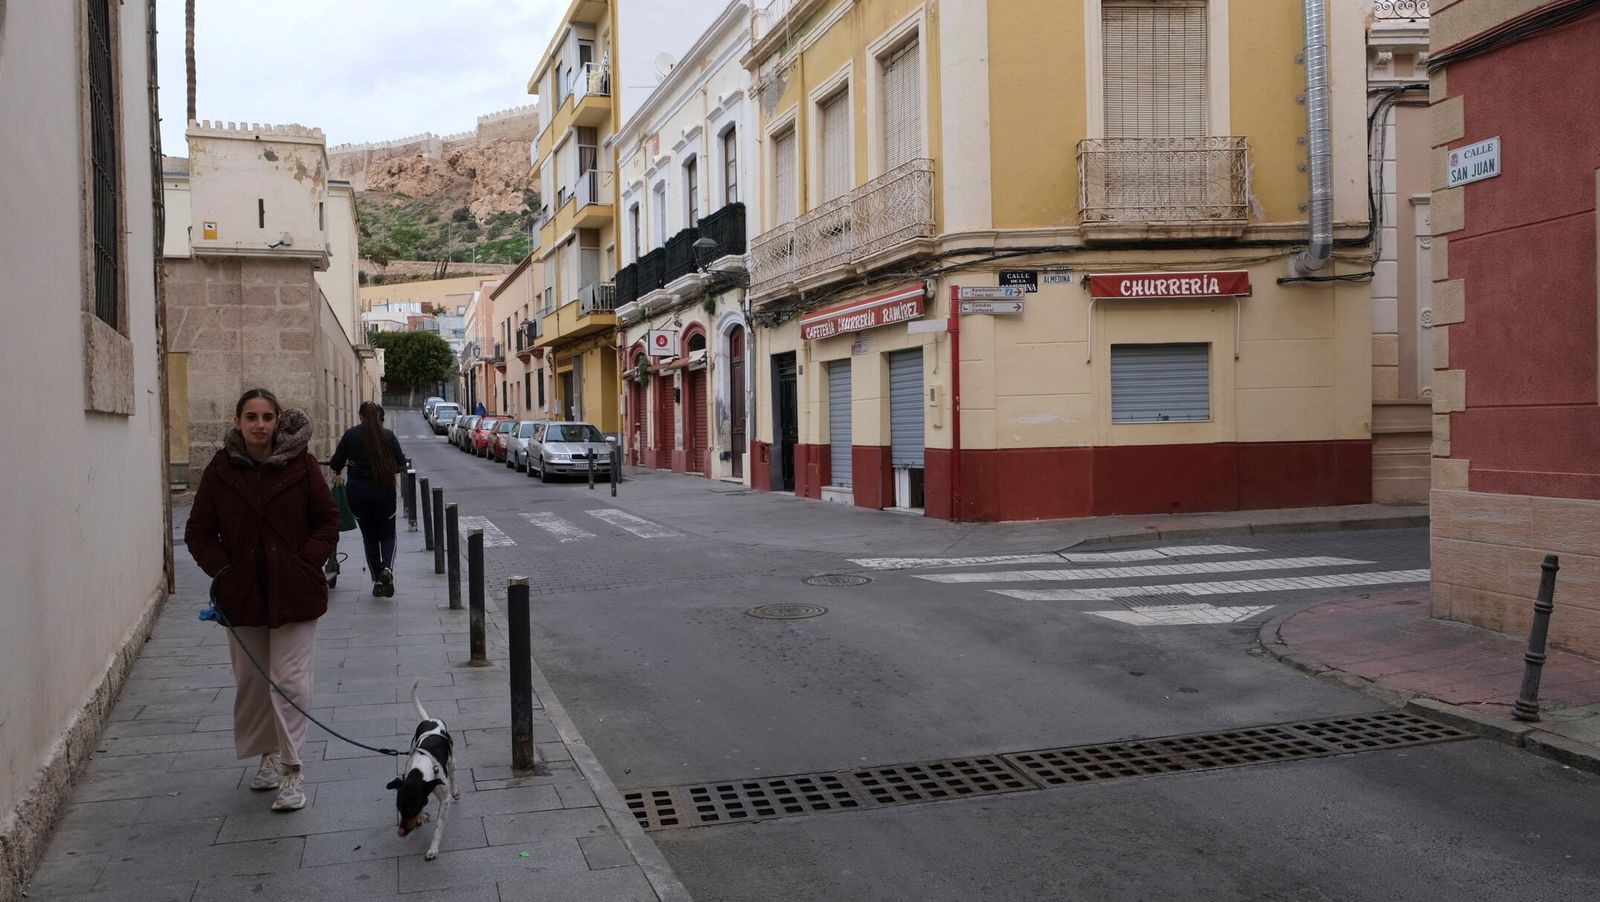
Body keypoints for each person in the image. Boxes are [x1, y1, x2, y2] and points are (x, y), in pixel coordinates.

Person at [184, 389, 340, 812]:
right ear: (237, 422)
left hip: (295, 592)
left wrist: (305, 563)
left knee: (289, 680)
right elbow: (198, 532)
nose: (260, 425)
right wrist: (225, 571)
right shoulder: (221, 470)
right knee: (253, 683)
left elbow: (328, 520)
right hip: (244, 596)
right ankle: (267, 756)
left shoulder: (301, 464)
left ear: (276, 421)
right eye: (251, 417)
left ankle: (292, 770)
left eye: (267, 417)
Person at [329, 402, 406, 597]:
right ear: (379, 416)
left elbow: (335, 462)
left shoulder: (351, 435)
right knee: (388, 534)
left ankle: (377, 579)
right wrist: (387, 469)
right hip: (384, 491)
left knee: (370, 537)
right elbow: (401, 463)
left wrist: (349, 463)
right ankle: (387, 570)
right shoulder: (388, 435)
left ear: (360, 416)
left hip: (358, 492)